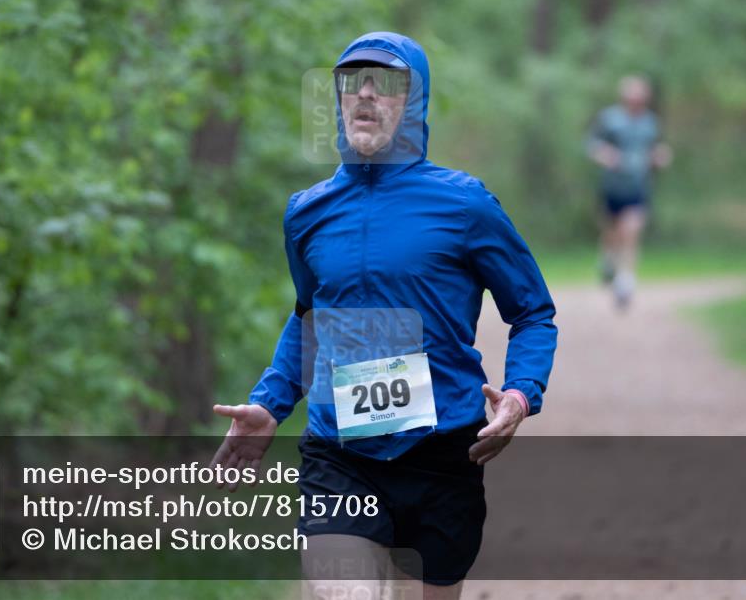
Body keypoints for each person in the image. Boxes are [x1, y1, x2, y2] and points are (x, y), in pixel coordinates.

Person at [212, 32, 557, 600]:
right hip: (340, 453)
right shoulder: (307, 212)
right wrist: (272, 402)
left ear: (414, 100)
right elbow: (310, 317)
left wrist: (520, 395)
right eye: (353, 82)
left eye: (386, 83)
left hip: (444, 450)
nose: (366, 95)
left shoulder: (465, 205)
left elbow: (533, 312)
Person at [586, 75, 673, 309]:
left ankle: (625, 282)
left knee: (631, 231)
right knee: (612, 233)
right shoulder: (610, 119)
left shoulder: (651, 123)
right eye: (632, 97)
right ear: (624, 97)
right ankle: (608, 262)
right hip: (612, 186)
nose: (636, 101)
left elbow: (658, 148)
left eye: (640, 97)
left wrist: (661, 156)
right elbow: (592, 144)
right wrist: (605, 155)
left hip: (638, 187)